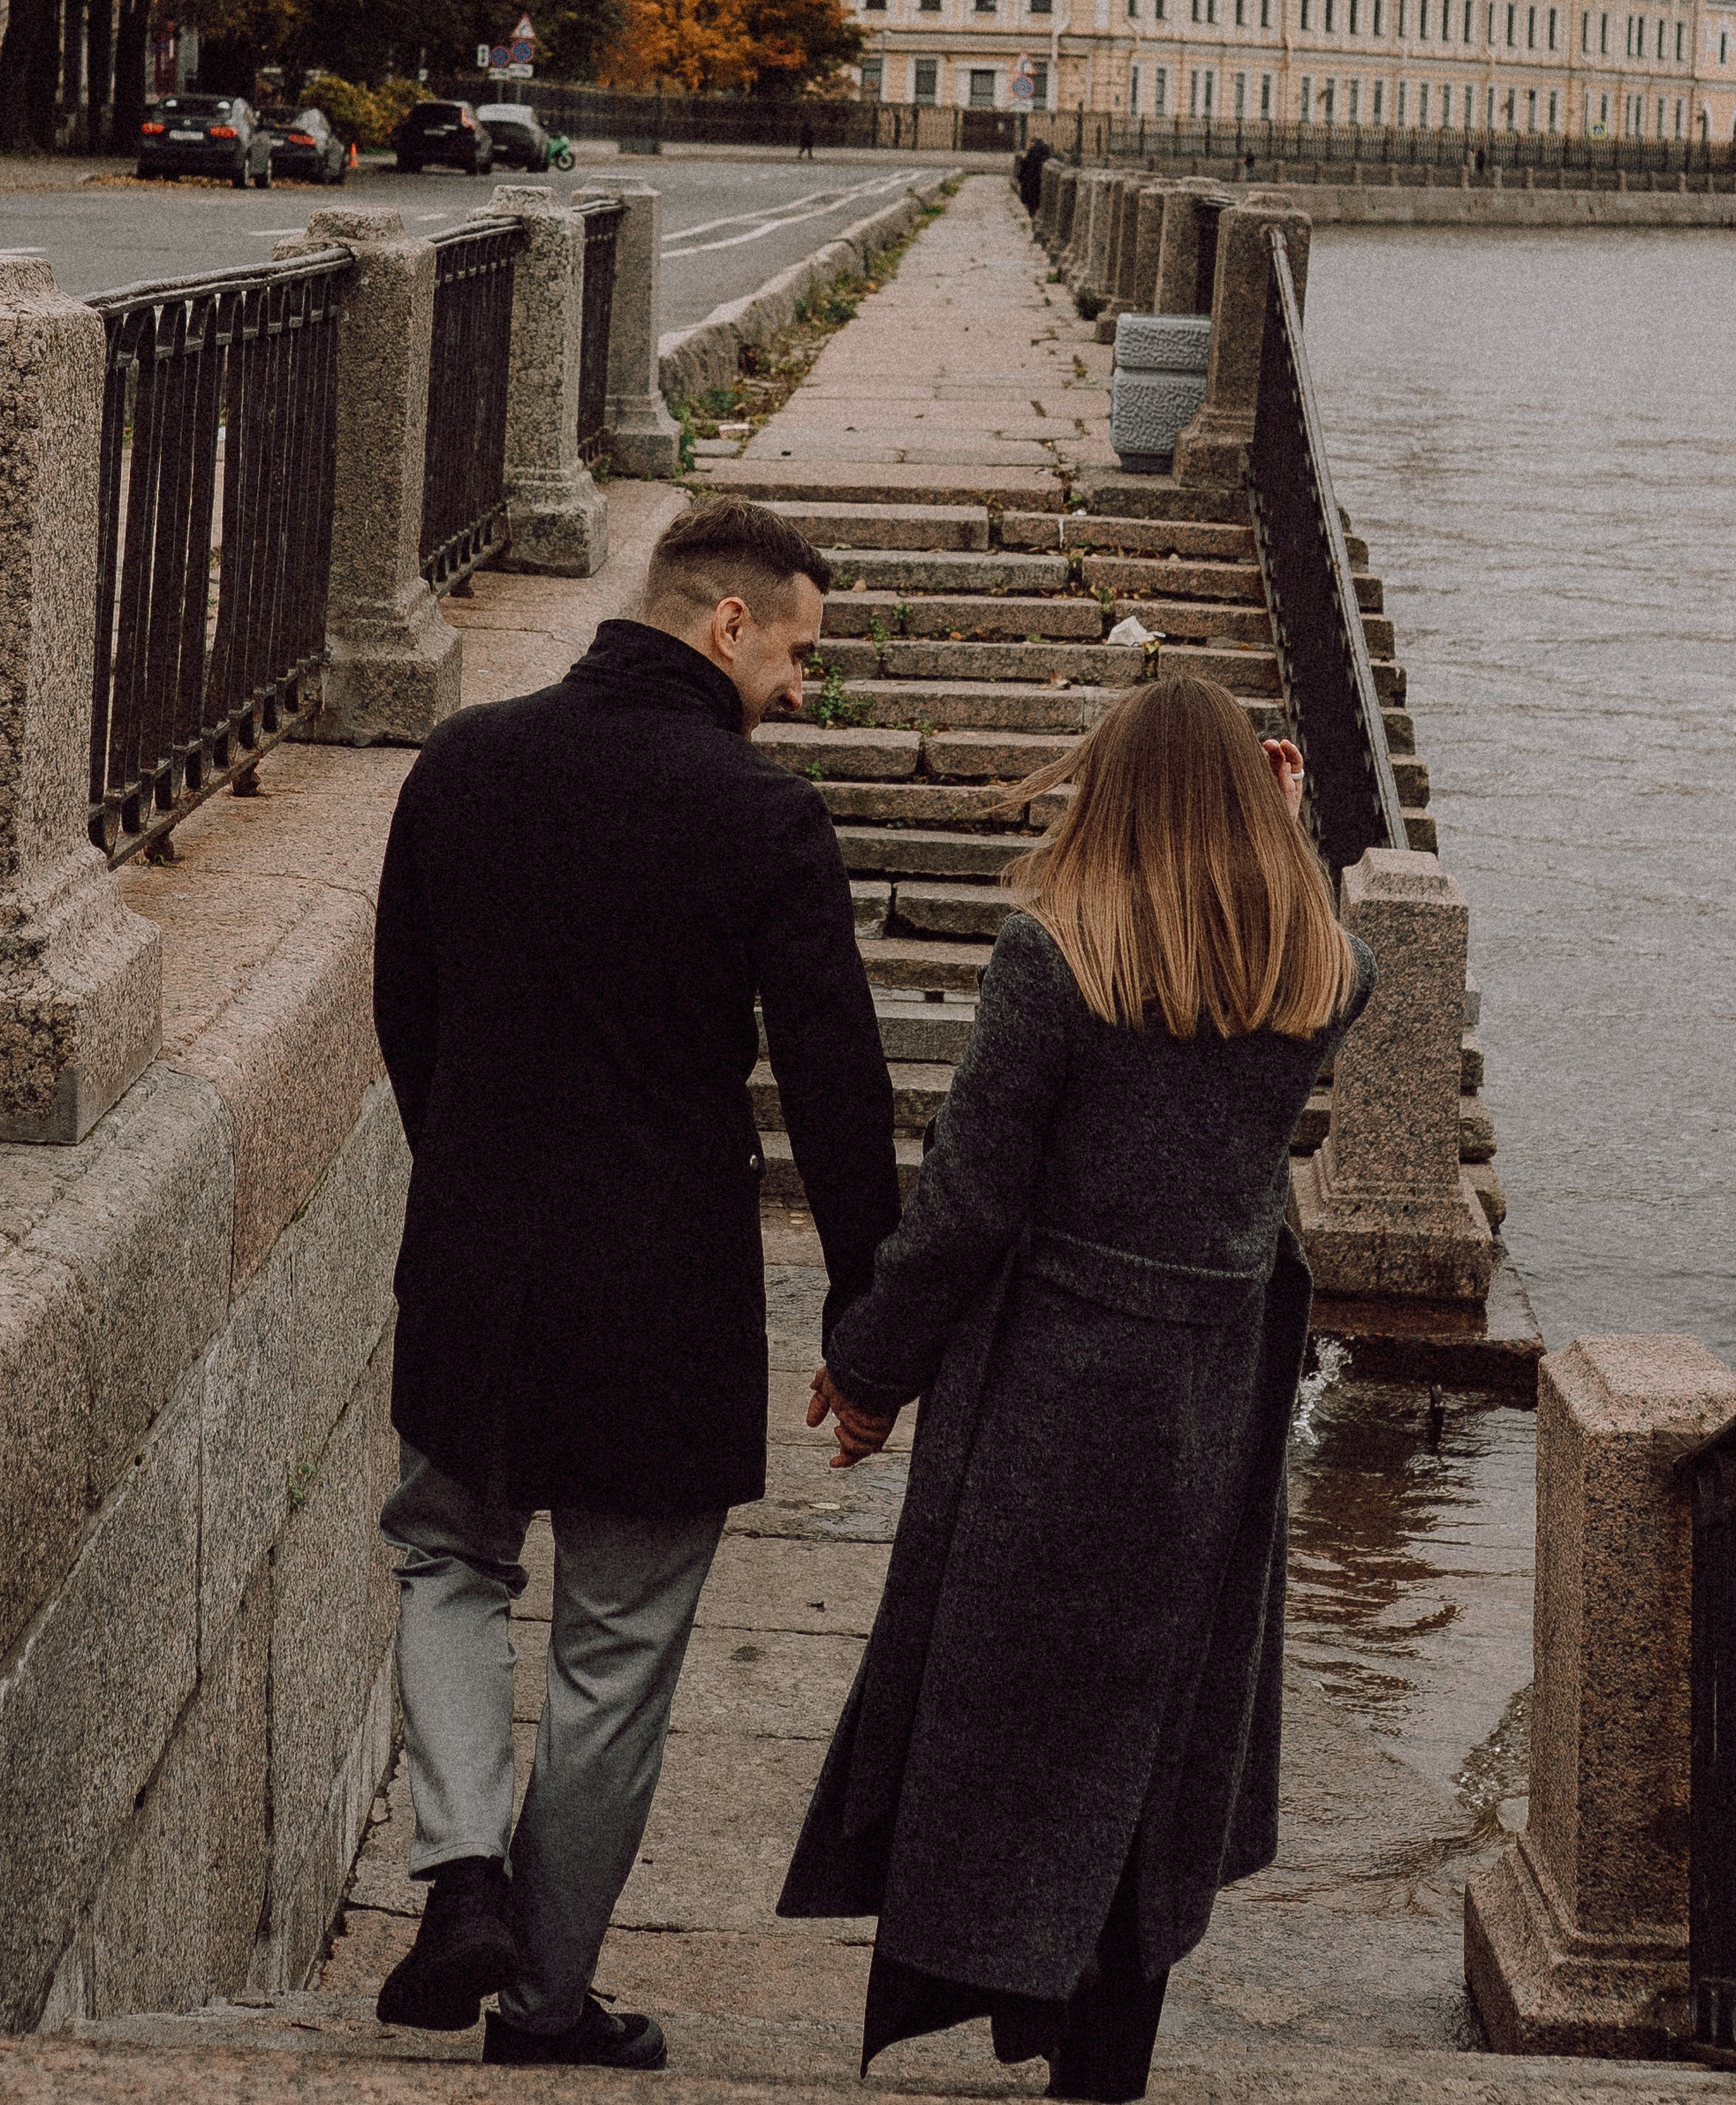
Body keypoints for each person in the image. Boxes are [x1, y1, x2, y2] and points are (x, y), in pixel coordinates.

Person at [778, 676, 1375, 2101]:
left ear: (1106, 788)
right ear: (1253, 798)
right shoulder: (1324, 972)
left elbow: (972, 1200)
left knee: (1009, 1716)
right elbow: (1291, 951)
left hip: (1055, 1386)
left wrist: (867, 1372)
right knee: (1158, 1722)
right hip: (1212, 1403)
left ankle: (1011, 1980)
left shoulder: (1055, 957)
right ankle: (1100, 2056)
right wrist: (1284, 841)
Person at [371, 496, 904, 2071]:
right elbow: (837, 1089)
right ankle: (542, 2007)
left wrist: (468, 1170)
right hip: (664, 1295)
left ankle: (462, 1865)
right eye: (799, 651)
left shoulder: (466, 761)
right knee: (615, 1653)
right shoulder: (763, 818)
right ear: (725, 622)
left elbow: (409, 1009)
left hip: (475, 1261)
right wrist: (866, 1326)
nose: (803, 688)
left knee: (444, 1558)